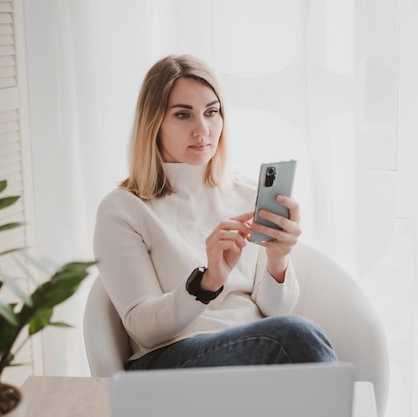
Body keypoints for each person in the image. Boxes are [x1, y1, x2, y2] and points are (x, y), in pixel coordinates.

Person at [93, 54, 336, 370]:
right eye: (183, 115)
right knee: (297, 336)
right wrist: (206, 283)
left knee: (292, 337)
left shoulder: (249, 194)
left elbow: (275, 312)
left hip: (253, 347)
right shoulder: (124, 208)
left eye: (212, 112)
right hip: (170, 359)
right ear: (153, 124)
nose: (202, 130)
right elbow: (143, 328)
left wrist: (278, 259)